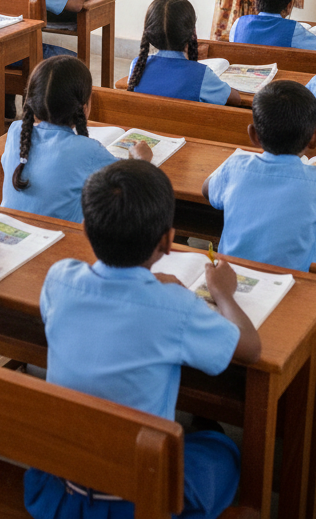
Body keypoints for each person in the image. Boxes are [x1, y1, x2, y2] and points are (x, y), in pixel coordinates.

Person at [24, 159, 260, 519]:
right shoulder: (177, 307)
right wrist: (223, 293)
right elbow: (251, 348)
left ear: (86, 229)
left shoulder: (59, 278)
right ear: (168, 241)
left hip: (60, 489)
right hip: (138, 501)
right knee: (222, 449)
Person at [202, 81, 316, 345]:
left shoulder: (236, 166)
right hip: (290, 296)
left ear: (253, 135)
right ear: (315, 137)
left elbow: (206, 190)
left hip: (233, 287)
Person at [1, 56, 150, 222]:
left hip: (11, 232)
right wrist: (141, 161)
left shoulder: (16, 131)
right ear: (84, 108)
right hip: (59, 242)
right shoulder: (88, 150)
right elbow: (130, 186)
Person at [127, 0, 240, 106]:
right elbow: (235, 99)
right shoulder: (201, 75)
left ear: (149, 34)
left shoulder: (137, 66)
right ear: (192, 33)